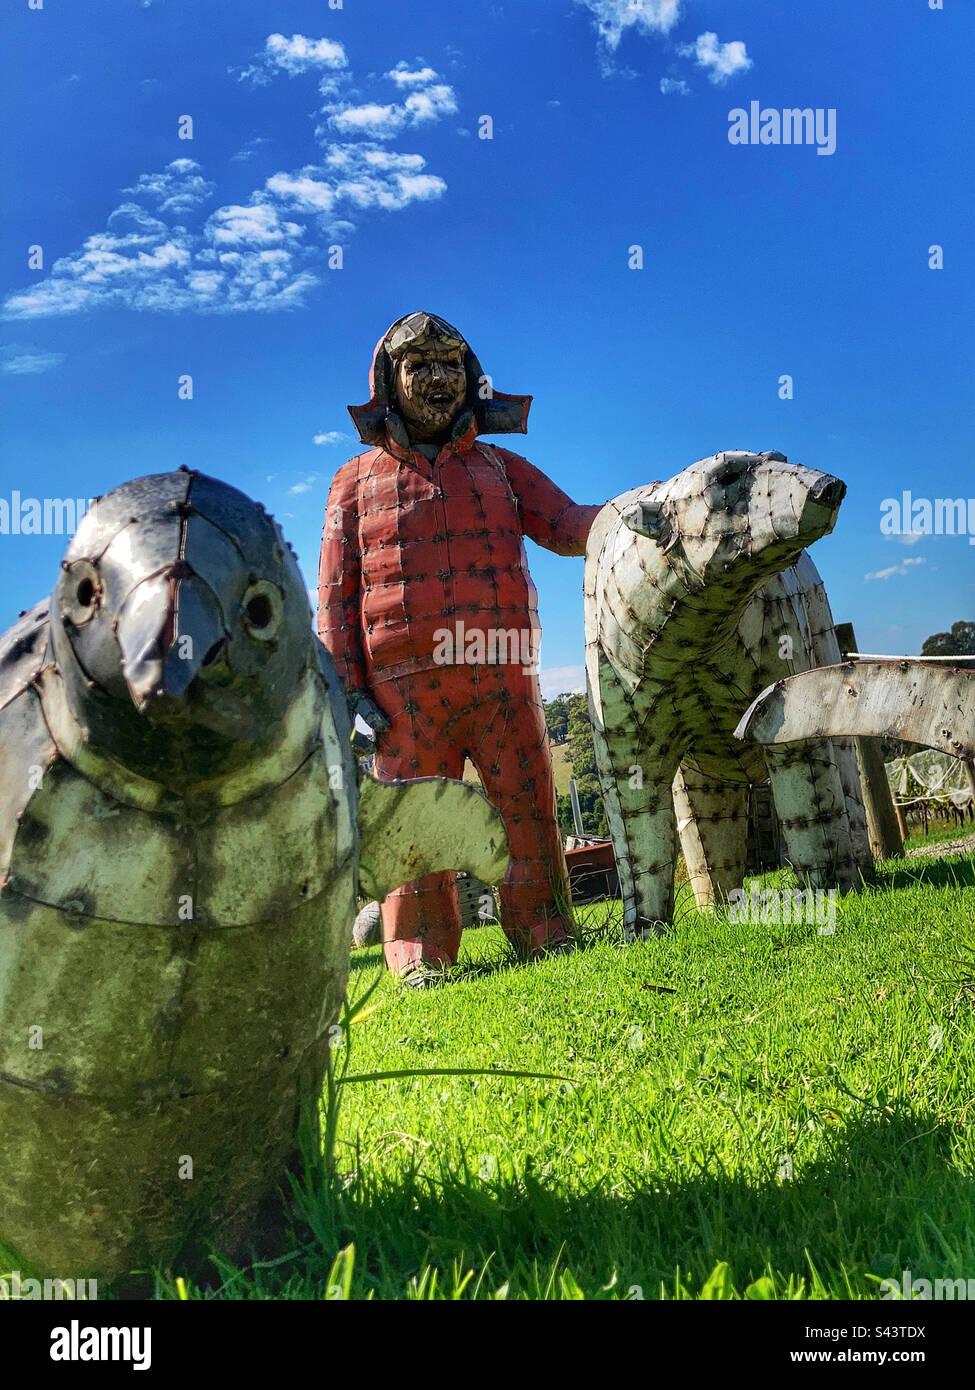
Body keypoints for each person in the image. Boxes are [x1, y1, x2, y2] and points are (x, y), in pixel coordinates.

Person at [318, 311, 602, 985]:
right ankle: (418, 950)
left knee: (527, 806)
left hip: (501, 678)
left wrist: (637, 513)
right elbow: (334, 593)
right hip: (402, 694)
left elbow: (565, 525)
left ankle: (544, 925)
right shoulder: (352, 482)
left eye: (451, 366)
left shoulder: (502, 468)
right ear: (390, 383)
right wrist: (346, 688)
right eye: (420, 367)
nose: (439, 379)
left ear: (472, 381)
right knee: (414, 824)